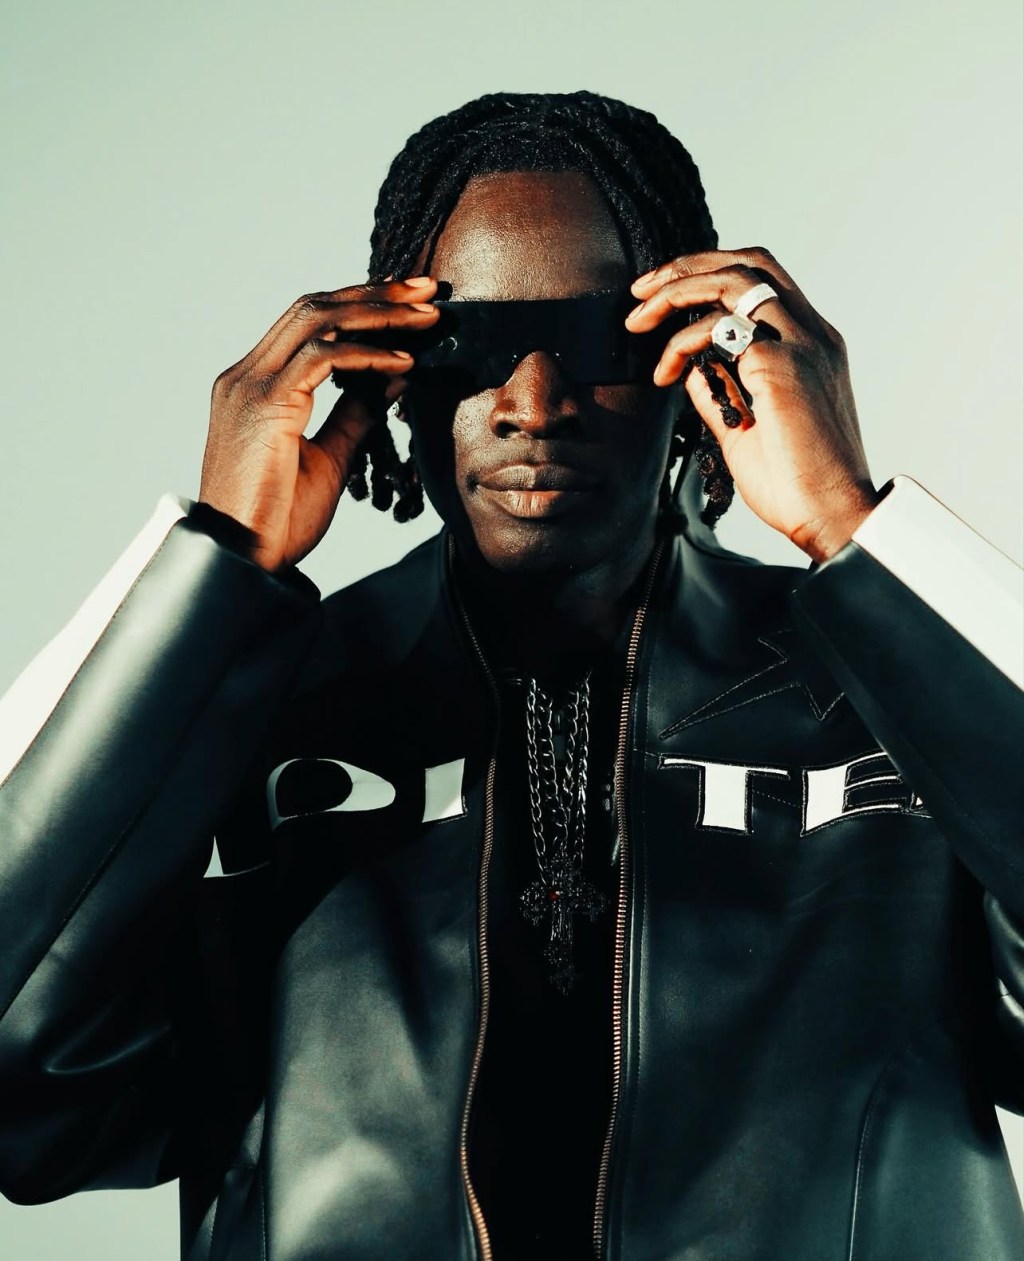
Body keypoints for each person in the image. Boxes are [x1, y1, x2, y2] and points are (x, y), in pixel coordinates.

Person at [0, 90, 1021, 1261]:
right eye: (472, 345)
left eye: (593, 337)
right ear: (391, 372)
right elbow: (30, 1108)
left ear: (694, 356)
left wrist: (859, 532)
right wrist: (209, 573)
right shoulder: (246, 707)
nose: (532, 405)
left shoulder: (885, 690)